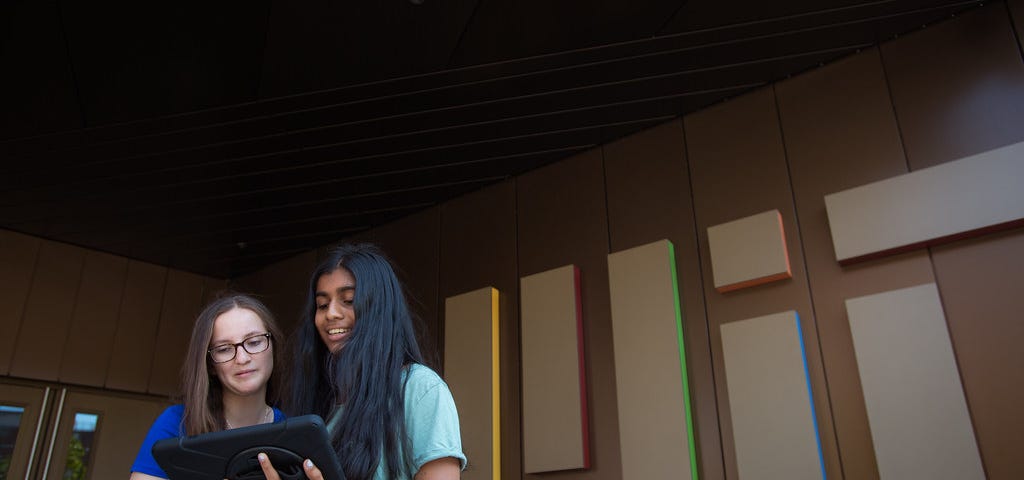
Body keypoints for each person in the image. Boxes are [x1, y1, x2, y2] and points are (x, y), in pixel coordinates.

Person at [261, 243, 465, 480]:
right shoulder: (317, 402)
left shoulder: (420, 389)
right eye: (322, 305)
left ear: (379, 308)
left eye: (348, 300)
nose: (331, 314)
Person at [129, 294, 286, 480]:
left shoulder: (292, 429)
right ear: (210, 364)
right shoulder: (176, 423)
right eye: (224, 349)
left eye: (254, 342)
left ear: (273, 347)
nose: (242, 358)